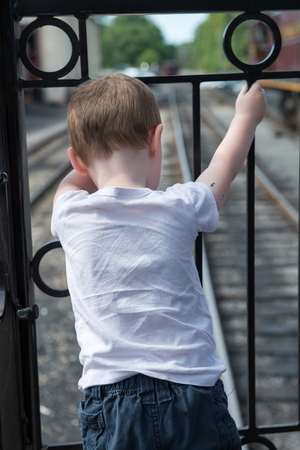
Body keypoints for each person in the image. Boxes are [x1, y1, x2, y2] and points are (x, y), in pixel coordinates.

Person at [51, 73, 267, 450]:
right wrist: (245, 117)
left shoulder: (69, 212)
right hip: (191, 393)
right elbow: (223, 168)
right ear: (156, 139)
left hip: (112, 401)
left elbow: (70, 184)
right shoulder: (180, 205)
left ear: (77, 160)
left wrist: (90, 159)